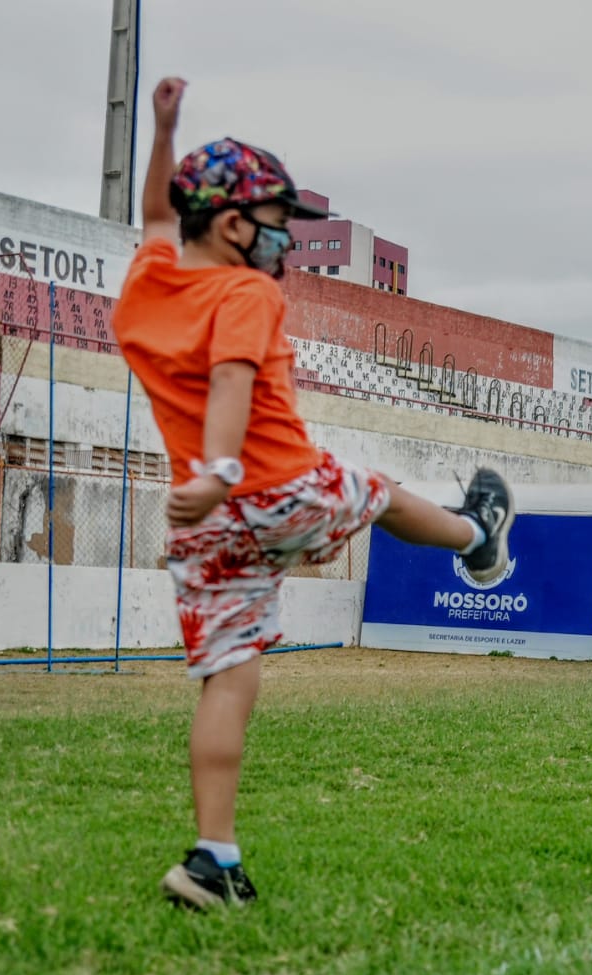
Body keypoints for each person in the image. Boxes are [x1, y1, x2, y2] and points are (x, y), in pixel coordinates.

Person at [112, 78, 515, 911]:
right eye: (272, 225)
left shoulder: (146, 287)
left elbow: (155, 217)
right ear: (232, 225)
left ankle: (212, 858)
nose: (280, 244)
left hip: (206, 526)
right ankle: (476, 536)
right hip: (270, 486)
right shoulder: (245, 292)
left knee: (229, 674)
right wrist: (223, 467)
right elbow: (230, 378)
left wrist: (163, 131)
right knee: (379, 491)